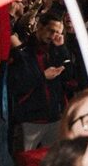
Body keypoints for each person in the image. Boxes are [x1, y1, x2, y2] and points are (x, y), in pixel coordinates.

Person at [8, 11, 72, 150]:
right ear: (39, 27)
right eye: (51, 30)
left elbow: (71, 76)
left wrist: (61, 48)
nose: (54, 36)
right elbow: (17, 84)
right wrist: (42, 76)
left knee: (53, 165)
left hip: (55, 118)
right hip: (30, 120)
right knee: (25, 165)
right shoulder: (23, 53)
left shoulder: (57, 51)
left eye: (58, 32)